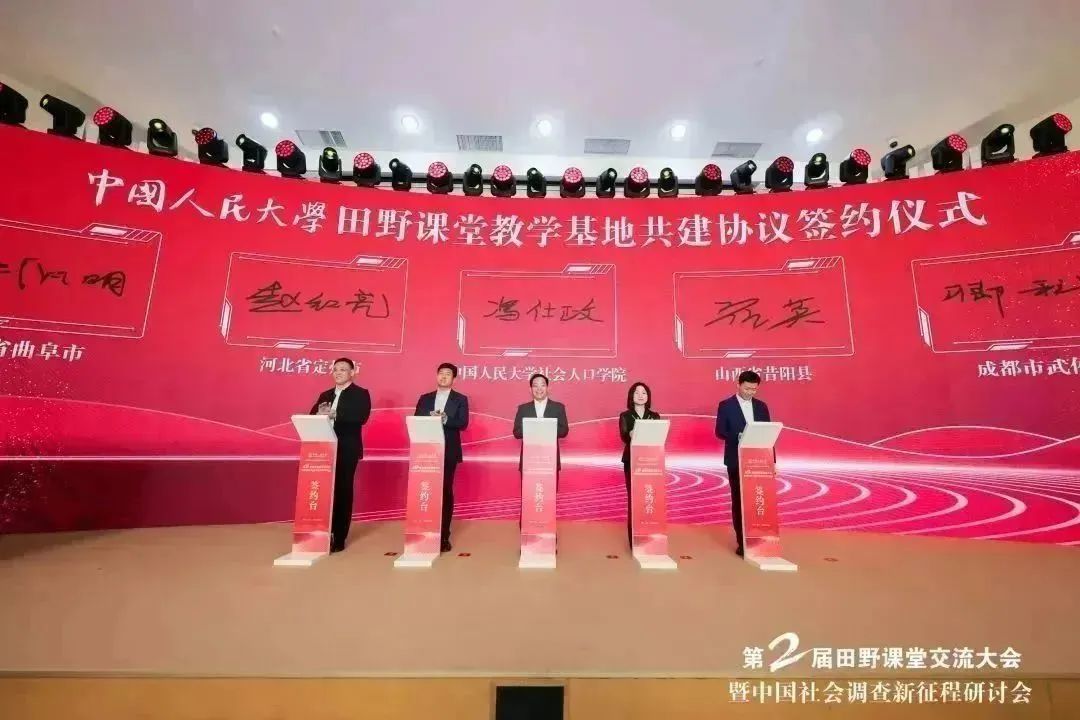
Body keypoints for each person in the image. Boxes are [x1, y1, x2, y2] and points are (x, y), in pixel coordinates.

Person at [310, 357, 372, 553]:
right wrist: (318, 415)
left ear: (352, 373)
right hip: (322, 449)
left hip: (346, 448)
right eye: (335, 369)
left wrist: (335, 414)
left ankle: (338, 536)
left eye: (343, 369)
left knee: (342, 490)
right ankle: (321, 532)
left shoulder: (360, 394)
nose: (338, 372)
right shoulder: (325, 394)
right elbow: (311, 415)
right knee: (322, 490)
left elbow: (361, 417)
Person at [414, 362, 470, 553]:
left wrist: (446, 419)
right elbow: (416, 418)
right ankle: (424, 530)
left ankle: (444, 535)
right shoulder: (425, 398)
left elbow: (463, 423)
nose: (443, 376)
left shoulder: (460, 399)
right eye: (441, 373)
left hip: (448, 450)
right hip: (425, 451)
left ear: (454, 379)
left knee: (445, 491)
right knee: (426, 490)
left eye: (448, 374)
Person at [714, 370, 771, 557]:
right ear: (738, 384)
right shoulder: (726, 405)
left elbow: (768, 435)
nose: (750, 392)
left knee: (758, 500)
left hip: (760, 462)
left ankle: (760, 538)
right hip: (736, 460)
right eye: (747, 388)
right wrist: (739, 436)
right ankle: (742, 542)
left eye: (754, 389)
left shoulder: (762, 406)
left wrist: (772, 462)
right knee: (739, 501)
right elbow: (720, 431)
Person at [619, 382, 661, 548]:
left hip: (652, 462)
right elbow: (624, 436)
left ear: (648, 396)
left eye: (644, 392)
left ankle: (650, 535)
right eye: (637, 393)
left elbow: (658, 436)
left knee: (649, 498)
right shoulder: (625, 416)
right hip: (632, 460)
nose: (641, 395)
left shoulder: (655, 416)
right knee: (635, 499)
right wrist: (630, 433)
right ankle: (634, 539)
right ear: (632, 396)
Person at [512, 373, 569, 485]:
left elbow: (564, 431)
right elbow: (516, 432)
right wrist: (532, 427)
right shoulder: (523, 408)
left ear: (548, 388)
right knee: (529, 493)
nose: (539, 389)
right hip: (529, 461)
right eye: (535, 386)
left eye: (542, 385)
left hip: (550, 460)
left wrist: (546, 427)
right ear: (530, 389)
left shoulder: (558, 407)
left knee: (549, 494)